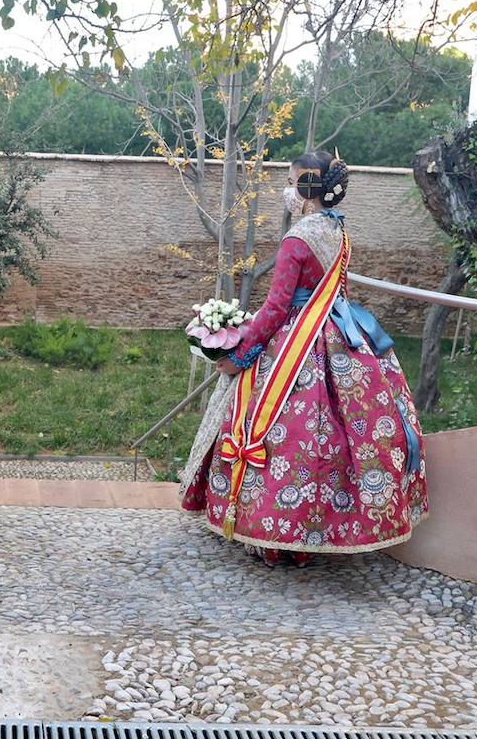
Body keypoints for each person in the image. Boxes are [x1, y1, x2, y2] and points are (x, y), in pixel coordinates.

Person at [179, 151, 428, 566]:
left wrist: (240, 354)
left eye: (291, 181)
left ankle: (273, 537)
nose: (287, 190)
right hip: (339, 336)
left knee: (283, 434)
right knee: (330, 440)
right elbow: (337, 293)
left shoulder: (297, 239)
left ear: (307, 188)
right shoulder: (338, 231)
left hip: (295, 342)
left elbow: (277, 308)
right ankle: (319, 532)